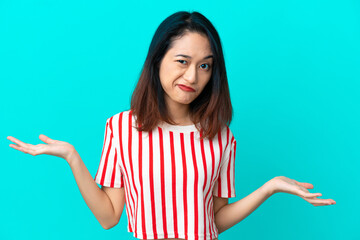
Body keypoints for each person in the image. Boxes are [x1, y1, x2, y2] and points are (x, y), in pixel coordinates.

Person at [6, 11, 336, 240]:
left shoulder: (221, 136)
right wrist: (72, 157)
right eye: (182, 61)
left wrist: (269, 188)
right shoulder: (121, 128)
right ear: (157, 59)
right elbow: (109, 217)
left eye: (205, 66)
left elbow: (214, 222)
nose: (192, 77)